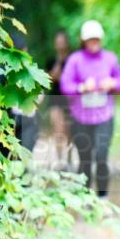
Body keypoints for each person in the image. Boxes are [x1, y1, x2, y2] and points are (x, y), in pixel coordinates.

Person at [59, 20, 120, 197]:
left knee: (102, 155)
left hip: (104, 116)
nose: (94, 42)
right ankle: (85, 196)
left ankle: (102, 195)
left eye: (96, 39)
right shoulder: (75, 60)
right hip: (81, 117)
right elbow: (65, 86)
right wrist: (82, 88)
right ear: (83, 40)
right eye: (90, 39)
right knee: (85, 158)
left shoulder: (110, 58)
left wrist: (112, 83)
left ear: (101, 39)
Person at [46, 29, 73, 169]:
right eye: (58, 42)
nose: (61, 44)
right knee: (58, 130)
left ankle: (68, 159)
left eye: (63, 41)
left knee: (69, 131)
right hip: (55, 98)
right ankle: (60, 159)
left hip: (70, 99)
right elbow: (49, 79)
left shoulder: (73, 59)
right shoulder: (52, 60)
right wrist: (59, 62)